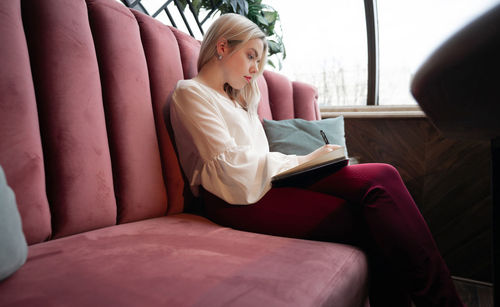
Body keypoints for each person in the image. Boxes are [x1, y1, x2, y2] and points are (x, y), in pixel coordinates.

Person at [169, 13, 465, 307]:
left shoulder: (241, 99)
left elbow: (255, 161)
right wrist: (302, 161)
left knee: (382, 180)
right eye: (251, 56)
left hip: (265, 186)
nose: (256, 68)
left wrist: (305, 164)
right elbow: (230, 168)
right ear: (222, 47)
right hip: (232, 199)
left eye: (259, 61)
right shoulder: (191, 93)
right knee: (375, 200)